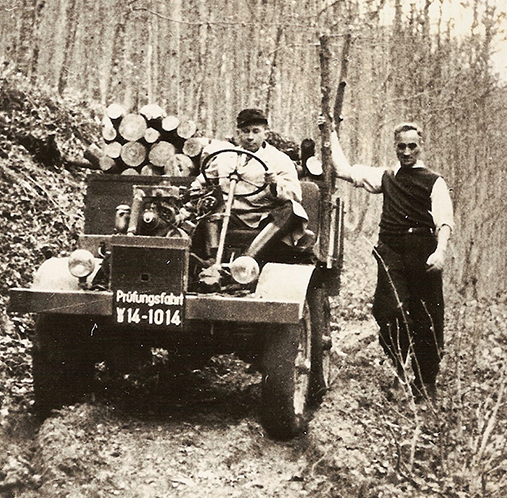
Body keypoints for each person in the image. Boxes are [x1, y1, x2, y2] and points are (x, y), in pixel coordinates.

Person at [327, 120, 454, 403]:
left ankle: (425, 383)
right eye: (401, 146)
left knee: (428, 317)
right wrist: (331, 133)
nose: (406, 152)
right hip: (391, 251)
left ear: (421, 146)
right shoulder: (386, 177)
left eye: (412, 146)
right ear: (394, 147)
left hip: (423, 251)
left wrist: (440, 251)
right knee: (388, 310)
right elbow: (344, 170)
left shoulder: (434, 181)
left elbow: (444, 221)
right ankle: (398, 367)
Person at [190, 108, 307, 267]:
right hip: (232, 215)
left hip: (263, 217)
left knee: (292, 209)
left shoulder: (279, 159)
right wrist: (196, 187)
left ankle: (247, 260)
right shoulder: (225, 157)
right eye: (245, 132)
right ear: (238, 134)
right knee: (210, 202)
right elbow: (204, 178)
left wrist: (275, 183)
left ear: (265, 134)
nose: (250, 137)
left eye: (255, 131)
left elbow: (295, 194)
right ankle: (212, 258)